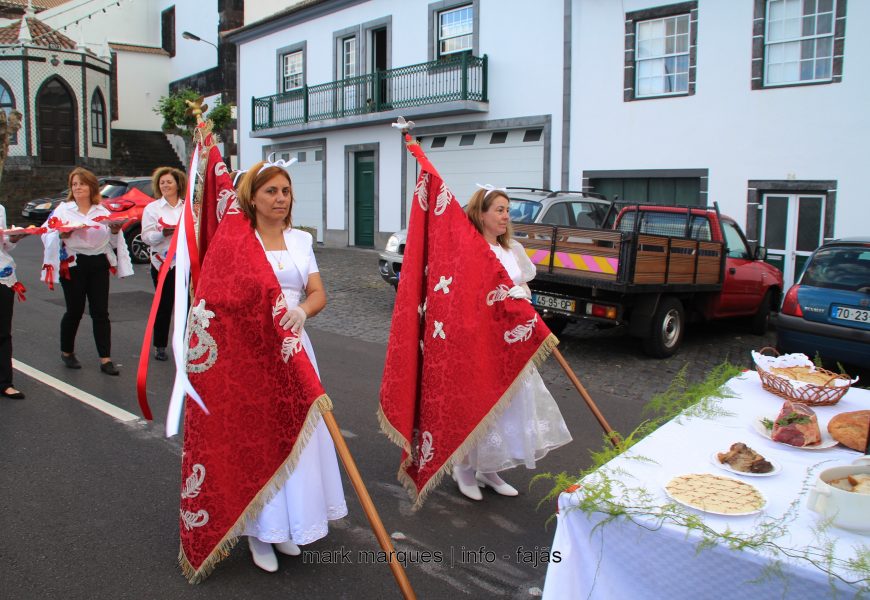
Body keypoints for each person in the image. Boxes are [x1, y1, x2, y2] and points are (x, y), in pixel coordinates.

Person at [236, 161, 347, 572]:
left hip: (295, 346)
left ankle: (288, 524)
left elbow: (318, 292)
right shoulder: (239, 240)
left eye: (285, 191)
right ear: (252, 197)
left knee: (299, 434)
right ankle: (258, 532)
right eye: (271, 191)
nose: (280, 199)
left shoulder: (301, 240)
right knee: (261, 436)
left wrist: (301, 311)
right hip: (254, 350)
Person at [451, 186, 572, 500]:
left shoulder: (513, 249)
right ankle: (464, 468)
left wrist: (523, 294)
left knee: (507, 407)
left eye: (507, 210)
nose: (506, 216)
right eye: (500, 210)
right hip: (482, 341)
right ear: (481, 214)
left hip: (511, 346)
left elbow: (523, 286)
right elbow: (462, 295)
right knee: (480, 404)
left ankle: (490, 469)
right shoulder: (471, 250)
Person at [41, 167, 132, 375]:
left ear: (91, 186)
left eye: (82, 183)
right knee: (74, 310)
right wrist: (62, 235)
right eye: (74, 184)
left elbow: (111, 240)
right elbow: (46, 233)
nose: (78, 187)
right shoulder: (63, 210)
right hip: (74, 263)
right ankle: (67, 351)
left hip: (98, 263)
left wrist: (116, 231)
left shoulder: (102, 211)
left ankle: (105, 358)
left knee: (101, 311)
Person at [141, 167, 186, 361]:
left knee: (187, 305)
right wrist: (163, 233)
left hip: (185, 263)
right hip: (163, 263)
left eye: (169, 182)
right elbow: (147, 237)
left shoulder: (188, 207)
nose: (165, 185)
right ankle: (160, 345)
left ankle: (186, 344)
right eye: (162, 182)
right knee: (164, 305)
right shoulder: (153, 208)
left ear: (178, 184)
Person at [0, 204, 26, 399]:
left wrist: (12, 238)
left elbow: (4, 244)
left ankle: (5, 382)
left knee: (3, 332)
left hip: (2, 275)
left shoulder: (0, 209)